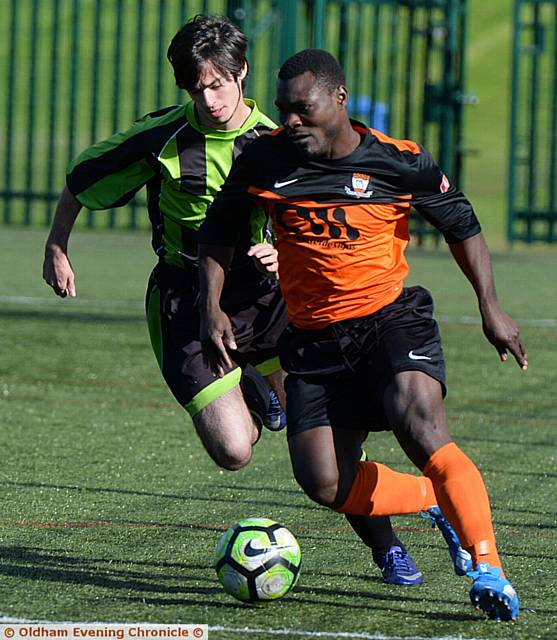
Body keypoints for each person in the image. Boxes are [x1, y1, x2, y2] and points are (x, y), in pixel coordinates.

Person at [41, 18, 423, 587]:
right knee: (233, 449)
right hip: (188, 300)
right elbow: (82, 178)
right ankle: (246, 383)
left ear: (241, 73)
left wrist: (280, 252)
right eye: (197, 89)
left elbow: (325, 214)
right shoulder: (162, 138)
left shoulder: (280, 141)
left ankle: (387, 546)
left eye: (219, 84)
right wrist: (56, 245)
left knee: (321, 441)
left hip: (271, 304)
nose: (210, 99)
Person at [198, 48, 526, 621]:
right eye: (283, 110)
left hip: (389, 321)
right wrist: (211, 308)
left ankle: (488, 568)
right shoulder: (263, 161)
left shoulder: (398, 161)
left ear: (339, 99)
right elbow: (219, 233)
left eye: (302, 108)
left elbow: (462, 223)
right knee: (324, 482)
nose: (290, 121)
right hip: (314, 341)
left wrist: (490, 307)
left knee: (418, 424)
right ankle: (434, 500)